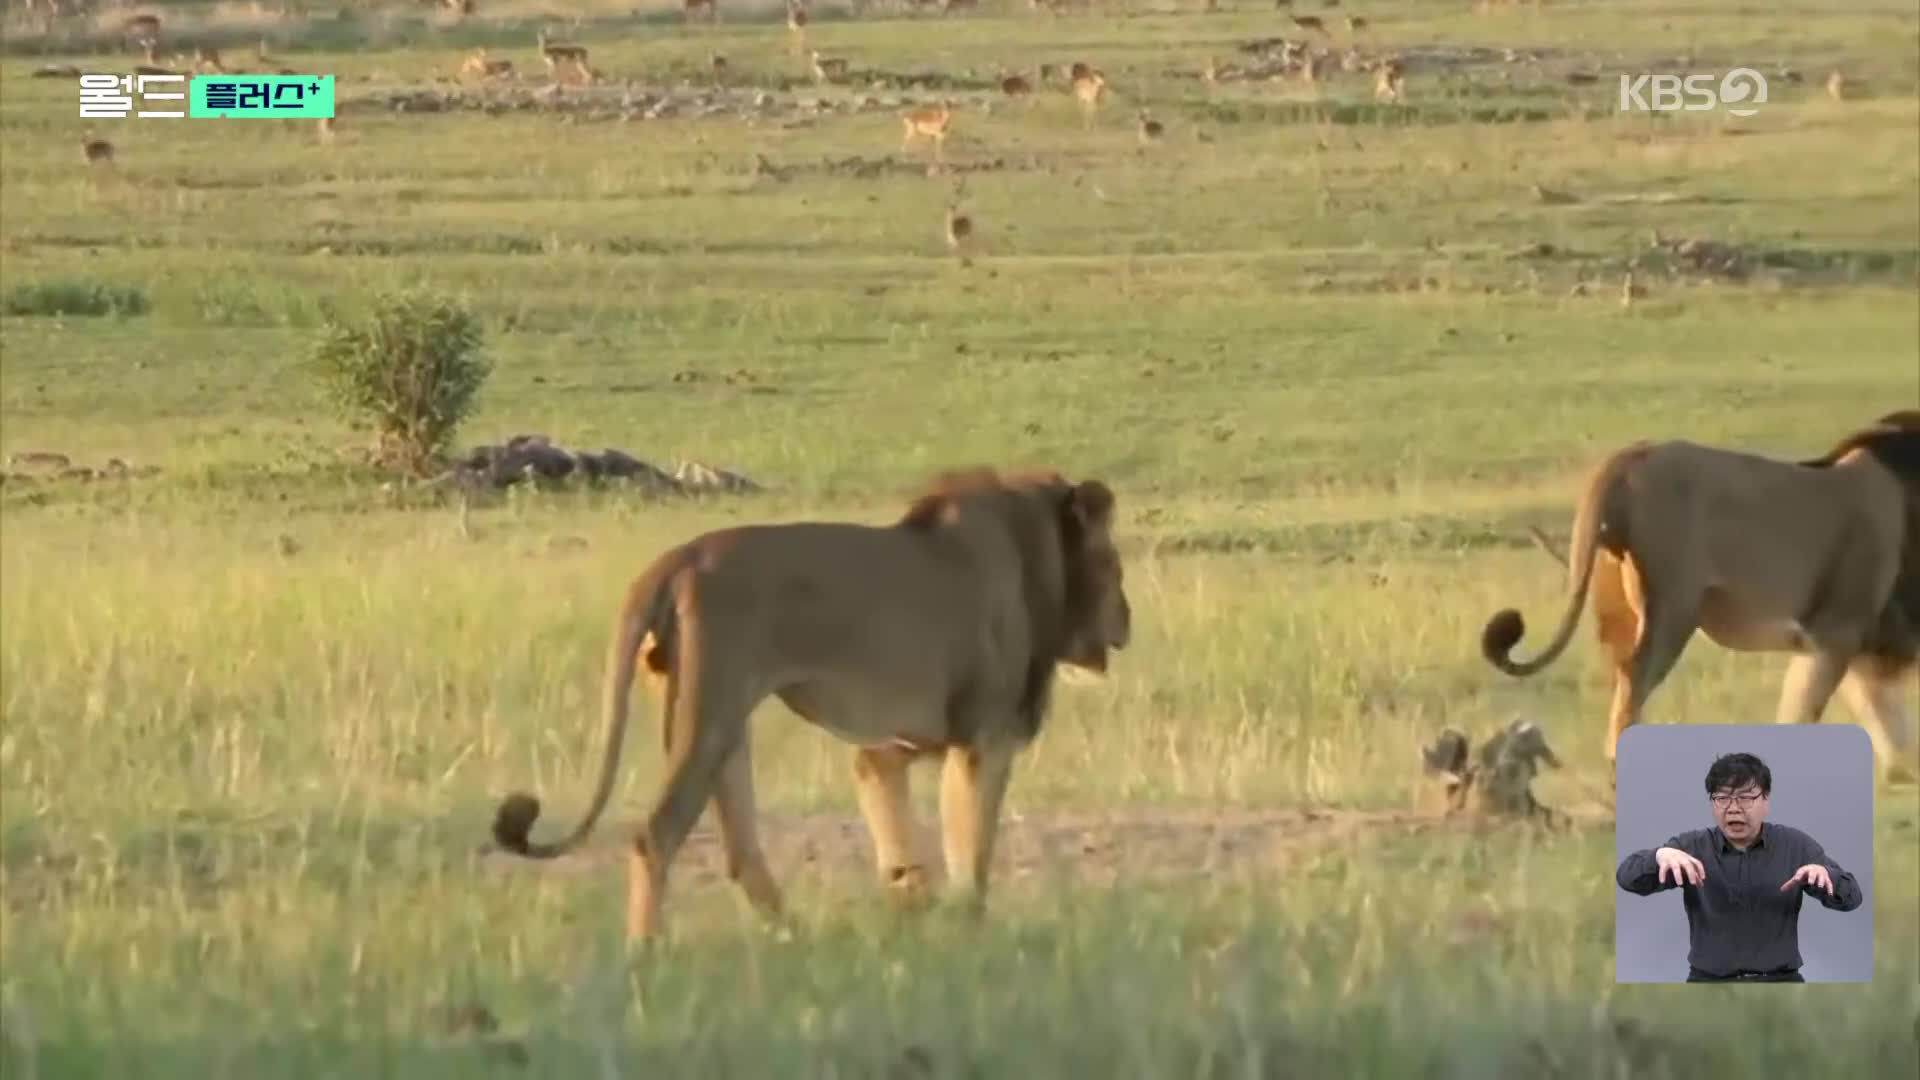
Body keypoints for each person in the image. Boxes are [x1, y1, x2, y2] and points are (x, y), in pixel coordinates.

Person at [1615, 751, 1864, 983]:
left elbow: (1852, 897)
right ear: (1712, 804)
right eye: (1722, 798)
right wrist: (1658, 856)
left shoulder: (1795, 846)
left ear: (1766, 801)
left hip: (1781, 982)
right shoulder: (1690, 847)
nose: (1733, 808)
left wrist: (1827, 878)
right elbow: (1627, 878)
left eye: (1745, 798)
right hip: (1708, 984)